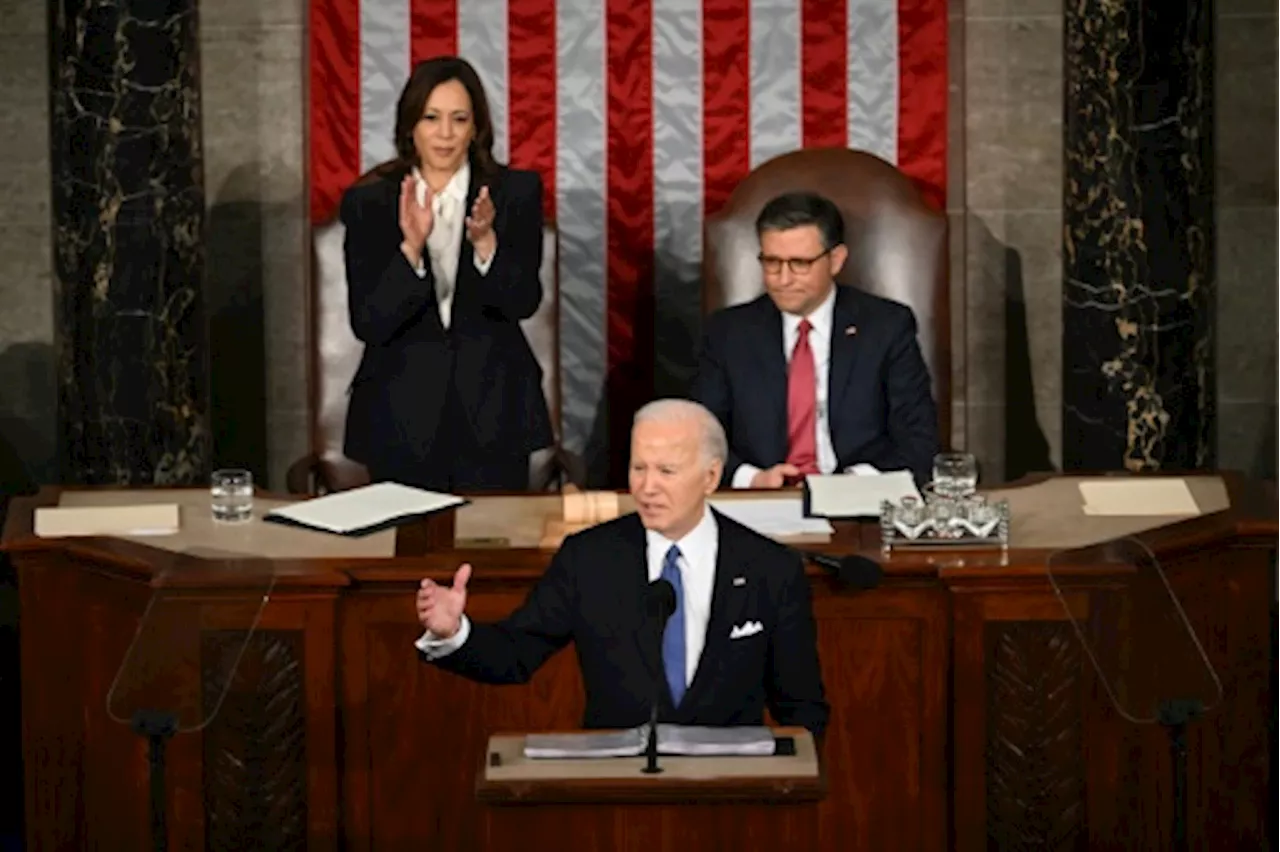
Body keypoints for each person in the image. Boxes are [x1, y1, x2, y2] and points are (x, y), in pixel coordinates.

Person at [413, 399, 829, 737]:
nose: (647, 488)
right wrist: (453, 632)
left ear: (710, 476)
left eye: (666, 471)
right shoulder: (589, 557)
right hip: (616, 798)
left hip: (731, 800)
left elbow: (802, 709)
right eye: (638, 468)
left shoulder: (769, 568)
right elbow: (515, 654)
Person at [339, 56, 552, 492]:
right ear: (410, 125)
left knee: (492, 552)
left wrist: (486, 243)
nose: (445, 133)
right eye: (431, 118)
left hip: (496, 411)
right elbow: (369, 321)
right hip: (398, 416)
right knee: (409, 556)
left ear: (476, 128)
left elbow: (523, 301)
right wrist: (411, 249)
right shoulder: (371, 201)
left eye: (459, 119)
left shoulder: (514, 193)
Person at [690, 191, 939, 489]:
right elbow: (700, 436)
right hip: (760, 501)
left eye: (799, 264)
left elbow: (918, 439)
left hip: (858, 499)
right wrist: (753, 478)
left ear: (835, 260)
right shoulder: (727, 333)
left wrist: (848, 485)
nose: (782, 279)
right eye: (771, 262)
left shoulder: (886, 327)